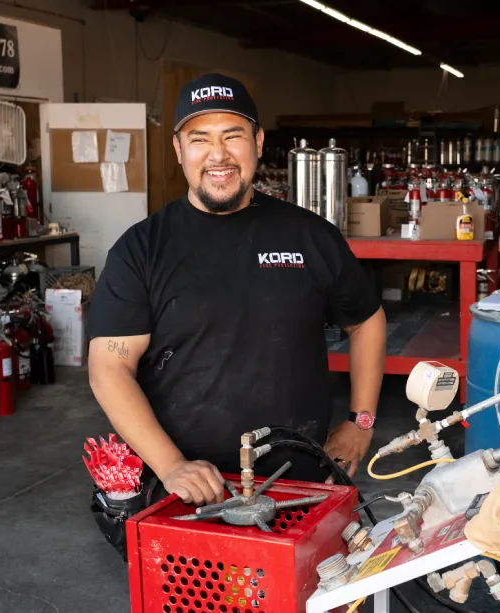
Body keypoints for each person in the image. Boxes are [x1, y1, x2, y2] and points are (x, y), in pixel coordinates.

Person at [86, 73, 387, 509]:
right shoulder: (142, 249)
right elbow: (109, 369)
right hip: (182, 490)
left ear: (259, 142)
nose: (218, 155)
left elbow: (366, 320)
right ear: (178, 149)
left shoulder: (309, 236)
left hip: (295, 481)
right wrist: (171, 465)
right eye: (199, 139)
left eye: (233, 136)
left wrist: (361, 422)